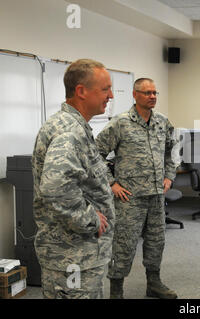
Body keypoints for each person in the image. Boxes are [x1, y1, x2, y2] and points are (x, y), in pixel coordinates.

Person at [31, 59, 115, 298]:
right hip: (73, 255)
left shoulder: (74, 125)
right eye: (105, 89)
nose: (110, 96)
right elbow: (56, 188)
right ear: (81, 91)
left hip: (79, 254)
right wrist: (91, 219)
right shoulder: (69, 131)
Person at [95, 78, 179, 299]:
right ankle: (116, 291)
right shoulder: (120, 123)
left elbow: (173, 150)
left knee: (156, 242)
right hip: (129, 199)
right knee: (123, 245)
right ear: (135, 94)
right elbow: (95, 154)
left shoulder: (162, 122)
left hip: (156, 197)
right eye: (147, 93)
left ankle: (154, 283)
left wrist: (169, 176)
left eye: (155, 93)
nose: (152, 96)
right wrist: (111, 183)